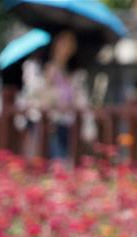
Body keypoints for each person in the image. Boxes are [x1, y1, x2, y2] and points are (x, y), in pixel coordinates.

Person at [36, 30, 89, 160]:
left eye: (70, 44)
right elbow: (42, 95)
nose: (67, 48)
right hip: (52, 122)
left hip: (68, 122)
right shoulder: (48, 68)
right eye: (64, 44)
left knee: (67, 159)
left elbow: (76, 99)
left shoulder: (72, 73)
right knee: (56, 160)